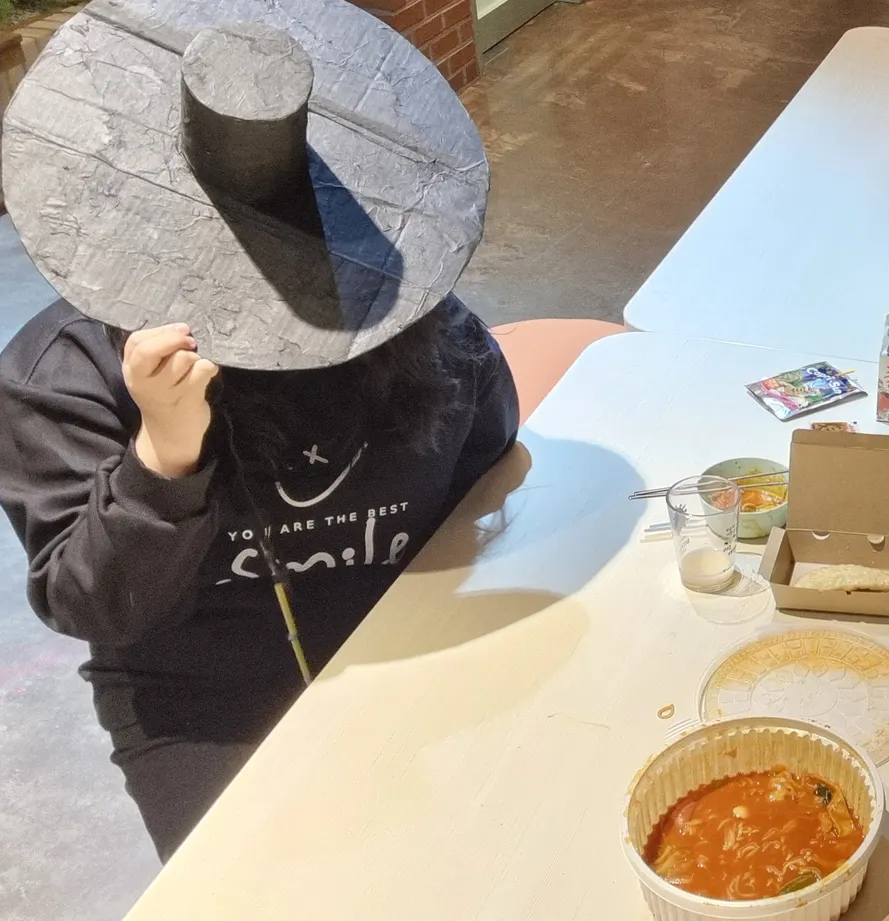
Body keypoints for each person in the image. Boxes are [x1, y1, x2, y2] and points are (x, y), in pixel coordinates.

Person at [0, 1, 514, 858]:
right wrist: (163, 458)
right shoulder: (64, 373)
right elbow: (93, 601)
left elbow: (487, 470)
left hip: (417, 642)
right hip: (202, 705)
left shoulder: (422, 331)